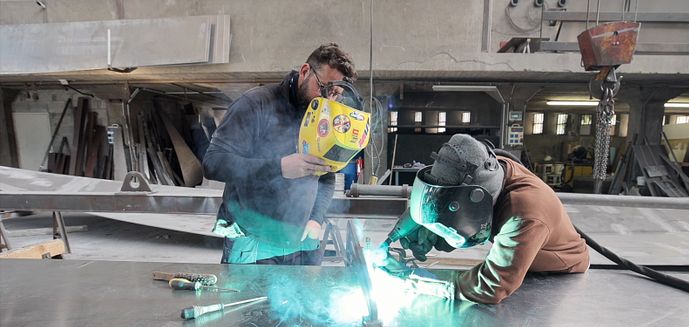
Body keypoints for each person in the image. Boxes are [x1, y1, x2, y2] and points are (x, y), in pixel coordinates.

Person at [202, 43, 357, 265]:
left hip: (302, 242)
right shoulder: (256, 104)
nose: (327, 100)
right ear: (305, 71)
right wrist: (280, 167)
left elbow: (326, 174)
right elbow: (213, 163)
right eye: (323, 87)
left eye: (335, 94)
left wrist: (316, 218)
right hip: (253, 239)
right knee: (247, 300)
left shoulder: (324, 117)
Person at [395, 133, 589, 304]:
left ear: (477, 198)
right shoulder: (492, 167)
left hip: (558, 276)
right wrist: (426, 216)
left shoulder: (525, 215)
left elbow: (491, 286)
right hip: (525, 251)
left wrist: (413, 282)